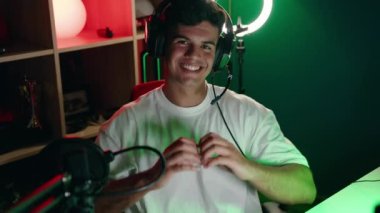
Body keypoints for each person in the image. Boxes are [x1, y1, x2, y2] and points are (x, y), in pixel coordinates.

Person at [95, 0, 317, 212]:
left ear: (220, 54)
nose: (195, 55)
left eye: (207, 46)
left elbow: (305, 189)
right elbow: (88, 206)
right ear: (161, 44)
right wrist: (148, 179)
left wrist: (247, 167)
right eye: (182, 42)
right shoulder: (121, 125)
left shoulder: (249, 114)